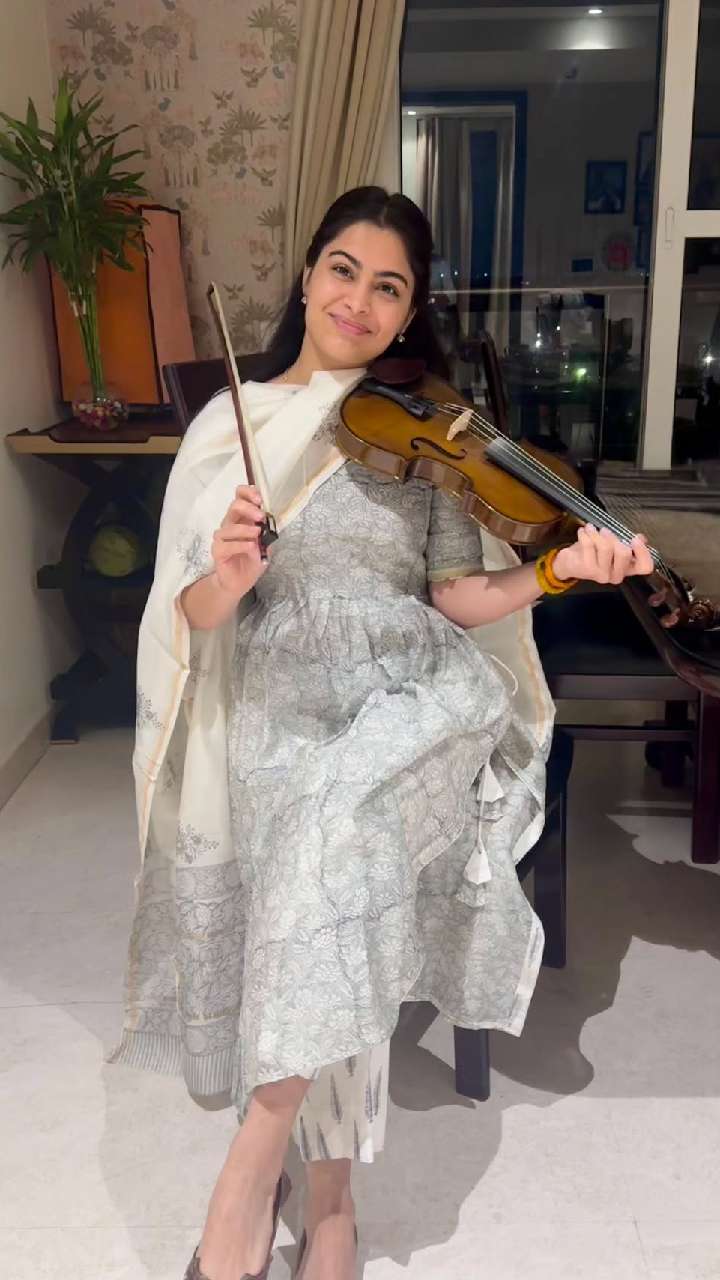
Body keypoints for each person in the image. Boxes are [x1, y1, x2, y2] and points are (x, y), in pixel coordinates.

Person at [109, 186, 653, 1280]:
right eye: (344, 270)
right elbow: (189, 616)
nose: (359, 300)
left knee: (331, 841)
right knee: (328, 878)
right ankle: (334, 1200)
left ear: (409, 313)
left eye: (389, 287)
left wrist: (554, 569)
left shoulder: (432, 427)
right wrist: (230, 574)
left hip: (413, 694)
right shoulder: (232, 426)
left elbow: (455, 596)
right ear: (310, 276)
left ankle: (248, 1178)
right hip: (277, 701)